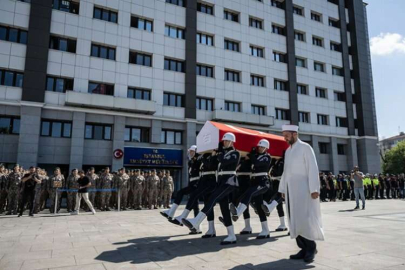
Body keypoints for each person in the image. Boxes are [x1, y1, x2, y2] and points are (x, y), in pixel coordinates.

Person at [183, 133, 240, 245]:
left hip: (230, 181)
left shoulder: (235, 153)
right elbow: (213, 163)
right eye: (224, 141)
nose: (225, 143)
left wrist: (218, 152)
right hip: (222, 182)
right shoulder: (223, 153)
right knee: (224, 209)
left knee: (212, 198)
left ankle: (196, 221)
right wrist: (214, 154)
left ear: (232, 142)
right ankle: (231, 235)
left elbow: (224, 161)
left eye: (227, 141)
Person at [278, 124, 324, 263]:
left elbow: (313, 168)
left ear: (294, 134)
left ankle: (311, 248)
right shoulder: (288, 151)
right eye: (284, 135)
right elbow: (286, 171)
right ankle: (302, 248)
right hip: (290, 190)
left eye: (287, 135)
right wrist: (282, 188)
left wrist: (314, 188)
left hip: (304, 190)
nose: (285, 138)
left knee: (305, 218)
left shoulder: (305, 147)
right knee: (294, 219)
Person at [231, 139, 272, 239]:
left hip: (263, 183)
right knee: (259, 207)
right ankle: (265, 230)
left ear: (266, 148)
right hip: (255, 183)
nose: (261, 148)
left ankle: (238, 212)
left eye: (263, 147)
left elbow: (257, 163)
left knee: (249, 193)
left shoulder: (267, 157)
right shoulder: (256, 156)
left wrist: (251, 155)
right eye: (259, 147)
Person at [171, 151, 218, 237]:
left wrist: (202, 158)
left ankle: (184, 218)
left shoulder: (207, 157)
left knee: (206, 204)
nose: (190, 153)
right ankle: (208, 229)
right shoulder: (195, 160)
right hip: (202, 182)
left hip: (209, 183)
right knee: (202, 205)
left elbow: (210, 166)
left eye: (192, 151)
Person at [160, 145, 201, 220]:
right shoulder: (190, 162)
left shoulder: (198, 161)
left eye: (192, 151)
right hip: (192, 183)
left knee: (180, 192)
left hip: (197, 184)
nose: (191, 153)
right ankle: (197, 226)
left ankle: (171, 212)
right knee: (195, 204)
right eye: (190, 151)